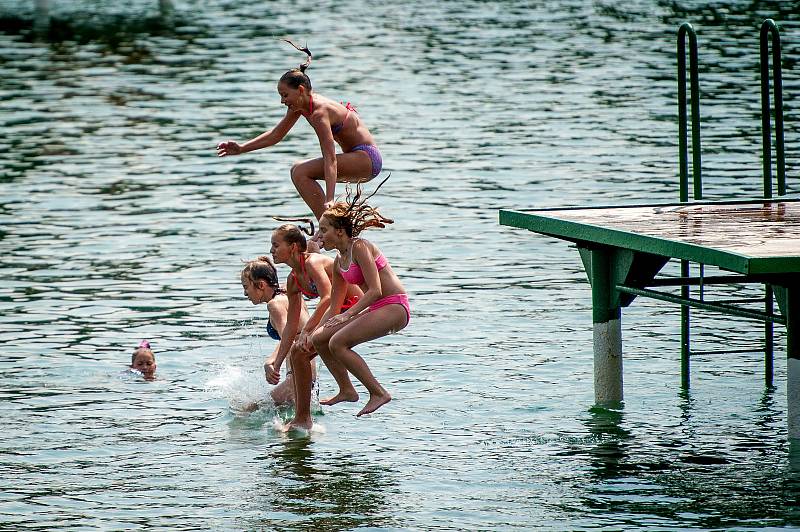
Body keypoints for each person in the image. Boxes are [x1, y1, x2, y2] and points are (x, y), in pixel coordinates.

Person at [216, 40, 383, 226]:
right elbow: (276, 135)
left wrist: (330, 198)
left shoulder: (320, 114)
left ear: (301, 90)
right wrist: (241, 148)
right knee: (297, 169)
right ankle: (330, 225)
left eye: (285, 95)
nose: (282, 101)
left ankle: (328, 224)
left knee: (301, 171)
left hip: (367, 158)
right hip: (356, 157)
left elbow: (330, 158)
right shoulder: (301, 106)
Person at [292, 184, 408, 429]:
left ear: (341, 231)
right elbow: (334, 306)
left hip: (395, 306)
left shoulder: (361, 247)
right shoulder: (337, 262)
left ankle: (378, 393)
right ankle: (346, 389)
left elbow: (376, 290)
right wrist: (313, 332)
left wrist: (348, 317)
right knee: (323, 339)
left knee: (338, 342)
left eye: (324, 230)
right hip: (376, 308)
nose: (319, 236)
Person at [269, 221, 362, 430]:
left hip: (354, 309)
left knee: (302, 349)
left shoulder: (312, 263)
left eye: (276, 245)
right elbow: (291, 327)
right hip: (335, 315)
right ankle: (303, 419)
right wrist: (276, 363)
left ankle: (306, 416)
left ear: (293, 247)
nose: (271, 251)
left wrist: (309, 330)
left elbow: (328, 297)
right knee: (297, 352)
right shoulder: (293, 280)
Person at [240, 256, 315, 406]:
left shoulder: (275, 305)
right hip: (305, 370)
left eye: (246, 287)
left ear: (261, 285)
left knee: (248, 410)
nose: (245, 293)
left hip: (298, 373)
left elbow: (289, 336)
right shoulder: (288, 292)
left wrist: (272, 362)